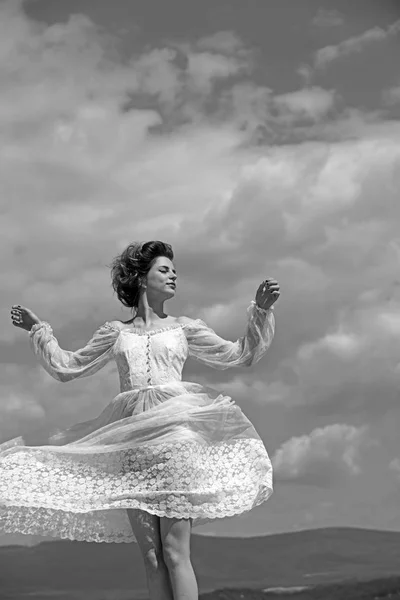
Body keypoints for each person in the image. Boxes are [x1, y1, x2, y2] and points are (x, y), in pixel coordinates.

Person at [3, 240, 280, 600]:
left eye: (174, 271)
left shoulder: (184, 328)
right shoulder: (115, 332)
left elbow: (239, 355)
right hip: (132, 446)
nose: (173, 276)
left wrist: (260, 310)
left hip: (175, 440)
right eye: (164, 270)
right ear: (140, 277)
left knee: (175, 551)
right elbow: (68, 367)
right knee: (151, 558)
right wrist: (39, 330)